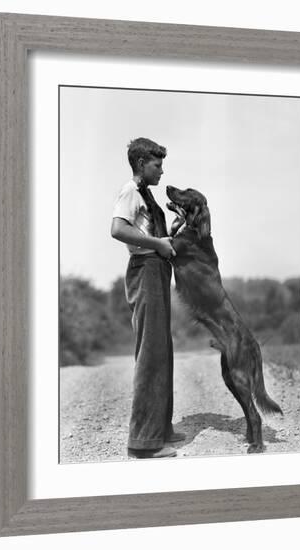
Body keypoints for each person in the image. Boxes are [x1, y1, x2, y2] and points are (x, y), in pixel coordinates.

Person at [111, 137, 186, 459]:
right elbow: (117, 230)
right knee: (150, 355)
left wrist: (174, 230)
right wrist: (157, 244)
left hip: (156, 269)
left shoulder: (146, 195)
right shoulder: (130, 189)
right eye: (157, 165)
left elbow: (149, 233)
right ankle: (142, 444)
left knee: (162, 351)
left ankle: (161, 429)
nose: (162, 171)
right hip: (144, 270)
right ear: (141, 163)